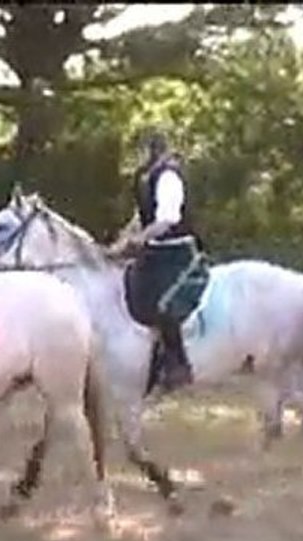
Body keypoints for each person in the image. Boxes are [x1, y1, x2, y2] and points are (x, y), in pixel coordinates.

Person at [112, 129, 202, 390]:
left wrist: (140, 239)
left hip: (178, 251)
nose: (136, 157)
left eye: (140, 150)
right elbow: (142, 216)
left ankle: (177, 363)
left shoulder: (168, 177)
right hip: (156, 251)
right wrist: (120, 241)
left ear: (153, 150)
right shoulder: (145, 177)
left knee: (163, 301)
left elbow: (167, 219)